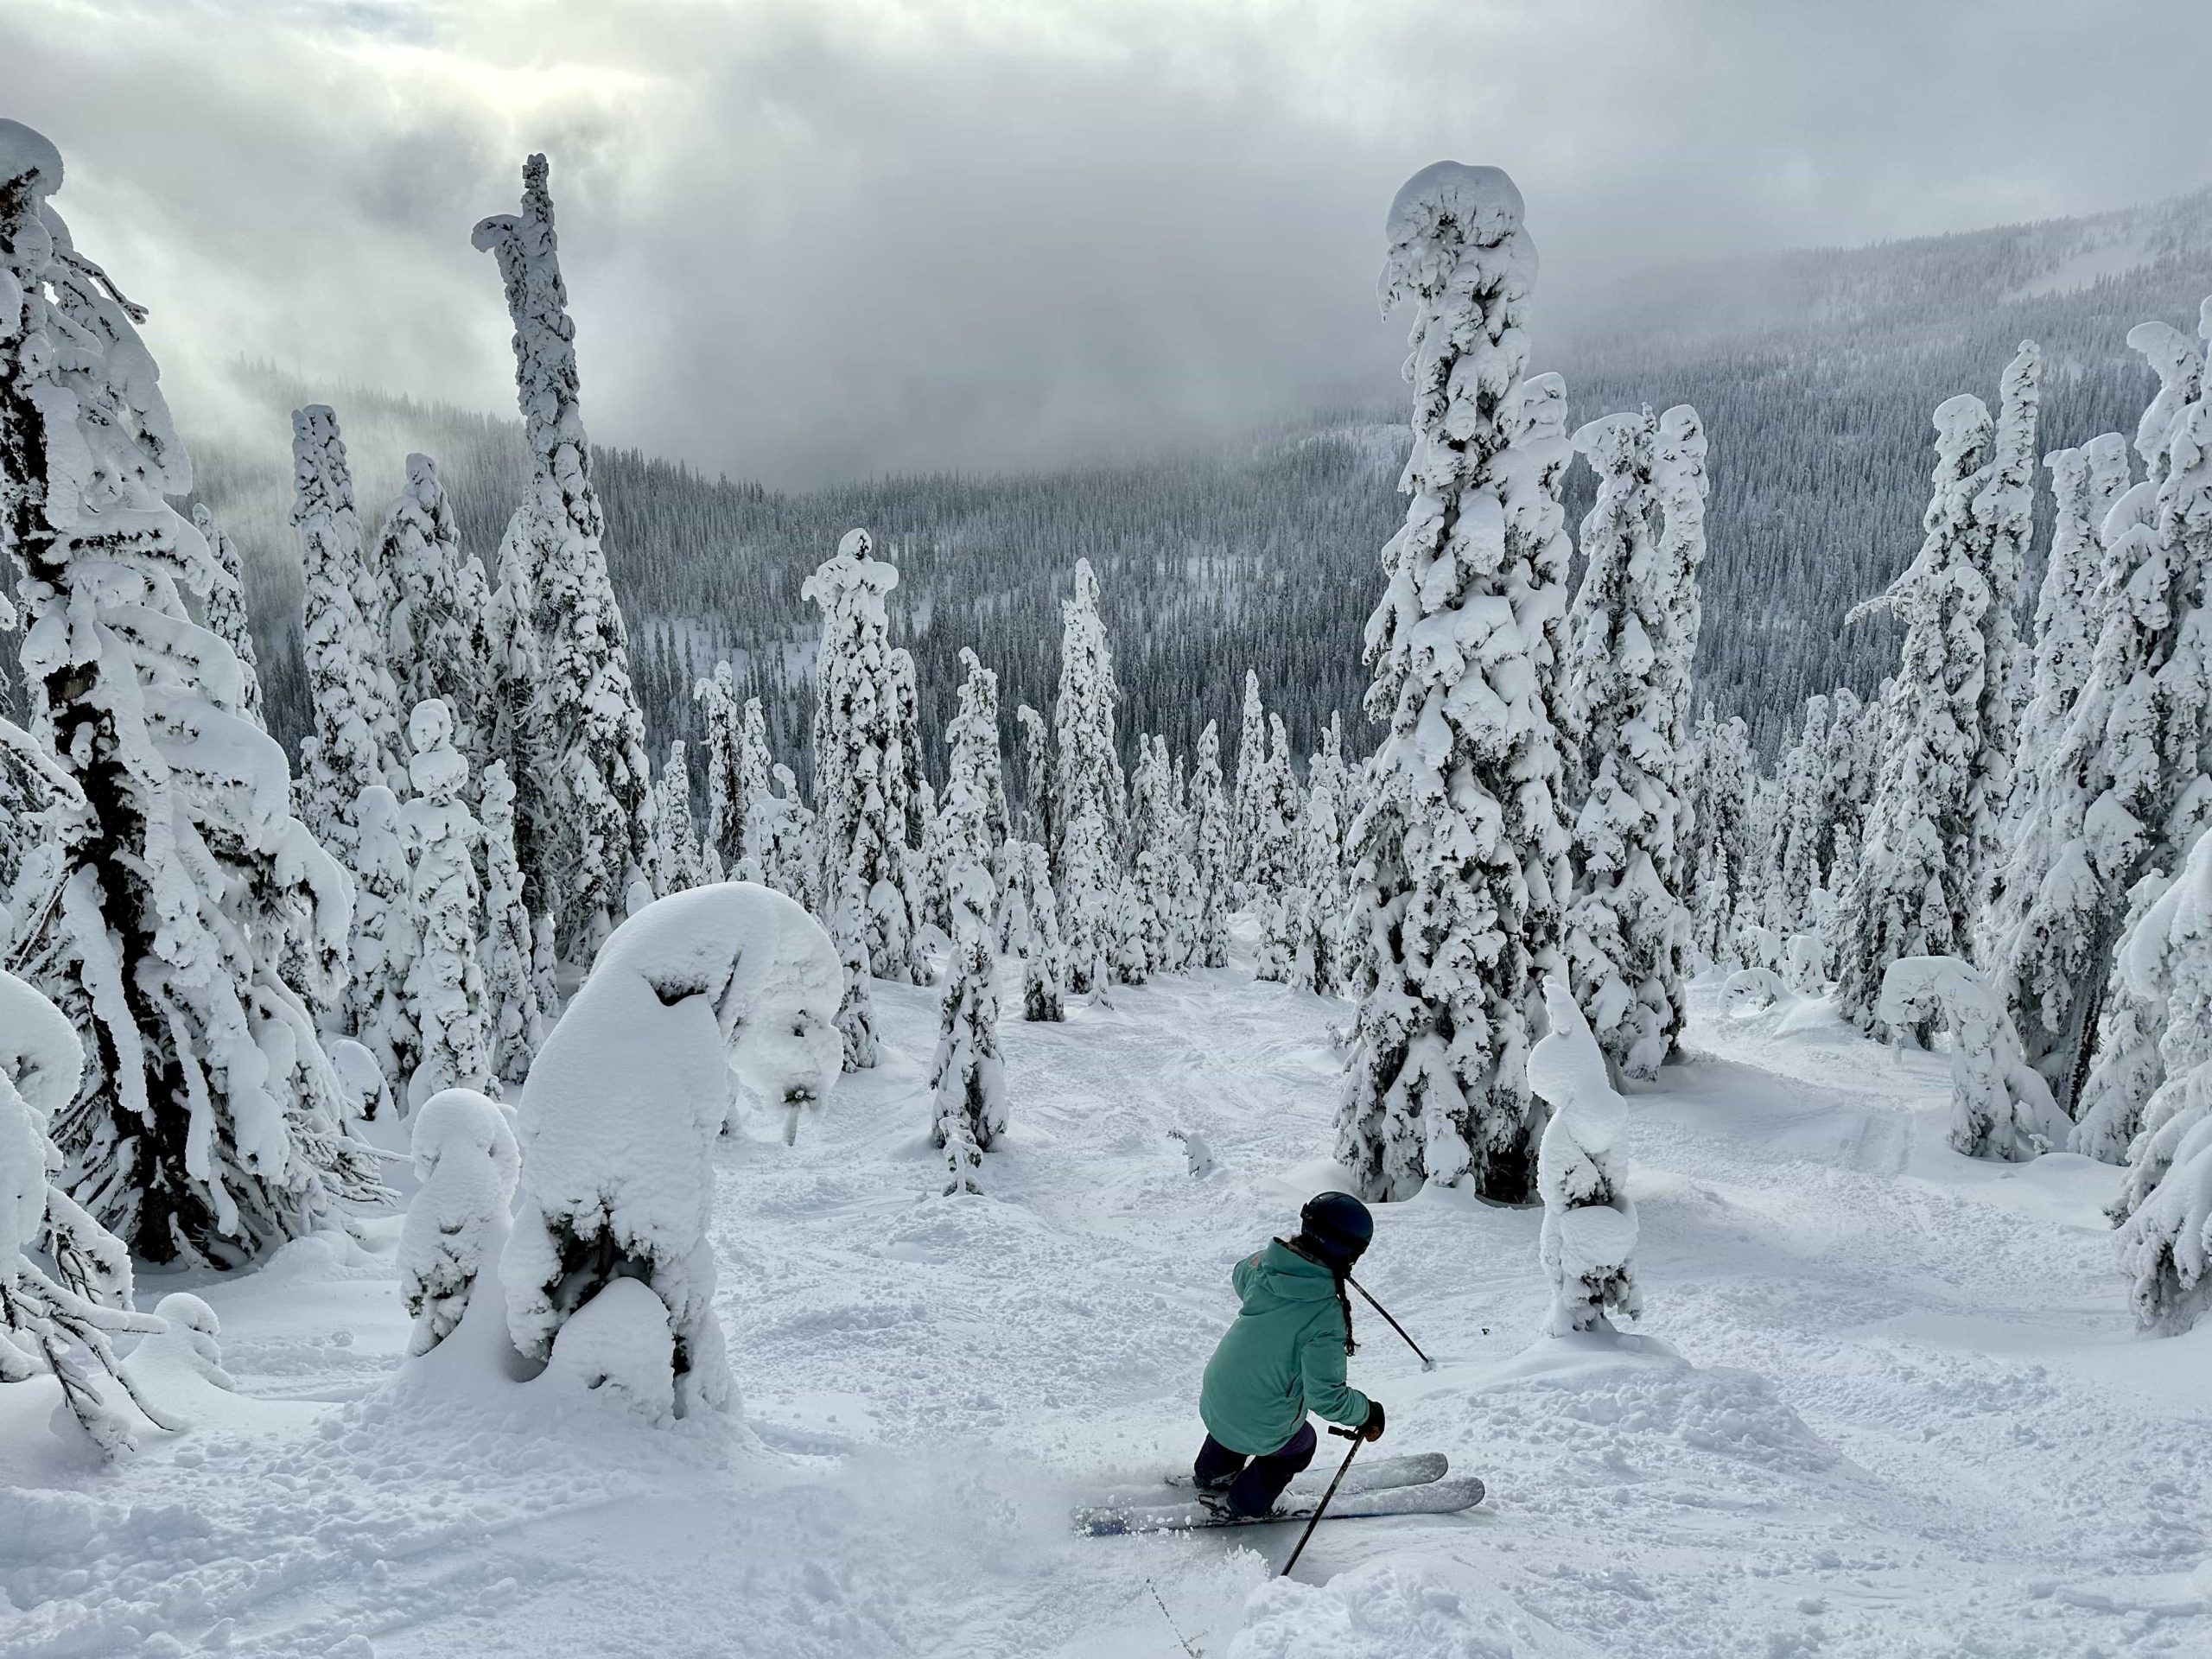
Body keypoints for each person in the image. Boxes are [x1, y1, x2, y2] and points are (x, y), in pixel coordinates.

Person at [1192, 1192, 1385, 1518]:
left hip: (1217, 1395)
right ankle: (1247, 1503)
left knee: (1250, 1404)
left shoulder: (1266, 1268)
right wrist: (1367, 1413)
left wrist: (1291, 1271)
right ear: (1351, 1253)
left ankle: (1212, 1473)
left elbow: (1241, 1272)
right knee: (1301, 1443)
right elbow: (1327, 1398)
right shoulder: (1325, 1314)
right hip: (1257, 1417)